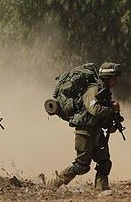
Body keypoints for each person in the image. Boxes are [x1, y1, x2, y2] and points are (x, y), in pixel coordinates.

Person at [52, 62, 123, 191]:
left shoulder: (105, 92)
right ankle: (54, 184)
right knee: (81, 166)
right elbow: (94, 110)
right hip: (85, 131)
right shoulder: (93, 90)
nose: (116, 81)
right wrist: (111, 109)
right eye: (114, 78)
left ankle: (102, 190)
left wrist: (110, 124)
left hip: (97, 130)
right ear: (107, 78)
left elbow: (101, 115)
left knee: (104, 163)